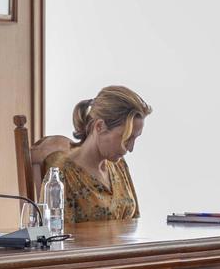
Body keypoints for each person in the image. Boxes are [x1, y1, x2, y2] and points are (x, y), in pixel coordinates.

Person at [42, 86, 151, 223]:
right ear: (99, 126)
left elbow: (135, 223)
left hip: (124, 245)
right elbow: (56, 239)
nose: (130, 148)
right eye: (126, 138)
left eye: (135, 139)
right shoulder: (62, 175)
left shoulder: (119, 166)